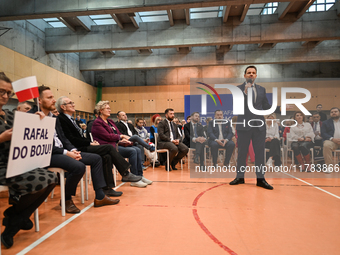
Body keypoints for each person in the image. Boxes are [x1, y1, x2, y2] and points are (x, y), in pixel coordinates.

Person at [31, 86, 120, 213]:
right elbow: (45, 146)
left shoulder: (54, 118)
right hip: (47, 154)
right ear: (39, 100)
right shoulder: (33, 116)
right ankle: (66, 200)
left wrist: (72, 150)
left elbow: (63, 139)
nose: (53, 100)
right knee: (78, 167)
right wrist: (67, 153)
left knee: (97, 158)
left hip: (63, 151)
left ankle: (100, 196)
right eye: (50, 97)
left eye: (53, 97)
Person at [0, 72, 57, 248]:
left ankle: (15, 217)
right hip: (2, 166)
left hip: (15, 163)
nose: (5, 96)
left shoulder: (9, 115)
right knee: (40, 179)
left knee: (51, 178)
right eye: (1, 91)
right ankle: (14, 223)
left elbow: (26, 135)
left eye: (8, 93)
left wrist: (38, 122)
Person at [55, 96, 141, 196]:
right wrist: (89, 143)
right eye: (70, 103)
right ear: (63, 107)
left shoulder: (71, 119)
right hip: (76, 148)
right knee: (108, 148)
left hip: (84, 145)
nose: (73, 104)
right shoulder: (62, 119)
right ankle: (125, 173)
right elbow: (70, 138)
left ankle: (107, 188)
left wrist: (90, 142)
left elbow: (80, 137)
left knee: (107, 156)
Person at [230, 65, 274, 190]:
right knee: (242, 153)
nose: (251, 74)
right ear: (244, 75)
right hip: (244, 125)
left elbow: (266, 106)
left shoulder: (261, 89)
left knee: (260, 153)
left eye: (253, 73)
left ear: (256, 75)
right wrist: (244, 92)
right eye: (248, 72)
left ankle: (260, 179)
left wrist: (279, 108)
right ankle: (240, 177)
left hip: (259, 126)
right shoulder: (238, 89)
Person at [91, 101, 151, 188]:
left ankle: (139, 176)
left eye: (110, 108)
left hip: (116, 145)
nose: (110, 110)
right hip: (107, 147)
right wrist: (121, 137)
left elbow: (117, 134)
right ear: (101, 110)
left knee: (138, 149)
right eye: (107, 108)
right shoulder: (97, 123)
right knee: (133, 151)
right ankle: (133, 179)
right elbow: (108, 137)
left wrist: (122, 140)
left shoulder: (110, 121)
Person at [321, 107, 340, 173]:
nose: (333, 113)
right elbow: (323, 133)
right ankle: (329, 166)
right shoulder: (325, 123)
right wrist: (332, 139)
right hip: (332, 141)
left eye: (335, 111)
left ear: (339, 112)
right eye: (332, 112)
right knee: (326, 145)